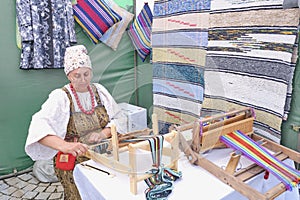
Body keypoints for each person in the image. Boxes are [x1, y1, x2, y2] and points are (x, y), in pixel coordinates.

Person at [24, 45, 126, 199]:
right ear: (69, 75)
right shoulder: (61, 97)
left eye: (86, 74)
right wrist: (65, 145)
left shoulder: (100, 91)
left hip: (102, 156)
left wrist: (102, 134)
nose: (83, 80)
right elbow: (38, 127)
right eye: (77, 75)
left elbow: (119, 118)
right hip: (74, 161)